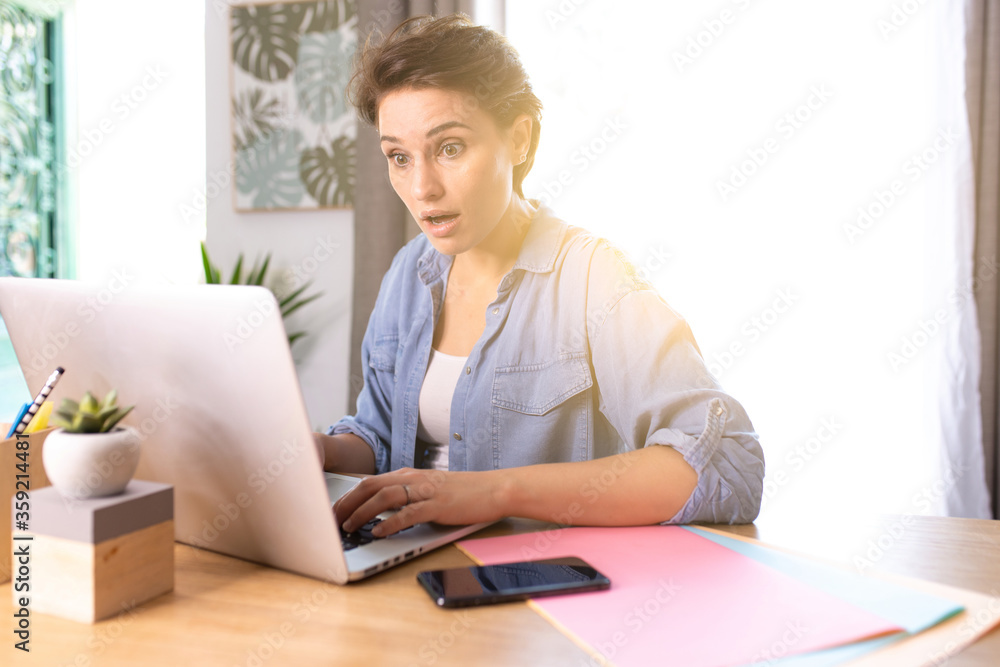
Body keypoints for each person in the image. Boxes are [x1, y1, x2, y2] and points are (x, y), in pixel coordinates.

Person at [314, 14, 764, 538]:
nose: (422, 188)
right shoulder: (406, 275)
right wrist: (317, 451)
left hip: (538, 588)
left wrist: (495, 491)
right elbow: (378, 437)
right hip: (405, 565)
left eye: (450, 148)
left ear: (520, 139)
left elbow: (728, 468)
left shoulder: (593, 279)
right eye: (398, 157)